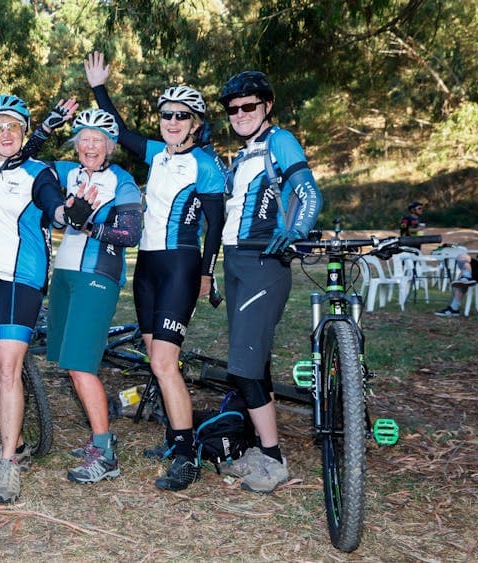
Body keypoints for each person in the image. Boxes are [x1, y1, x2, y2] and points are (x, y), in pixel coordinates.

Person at [84, 52, 227, 491]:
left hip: (180, 264)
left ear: (196, 122)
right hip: (146, 265)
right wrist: (98, 88)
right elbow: (120, 131)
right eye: (166, 114)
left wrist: (205, 272)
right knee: (159, 360)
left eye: (181, 116)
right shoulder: (156, 155)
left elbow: (216, 224)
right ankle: (175, 436)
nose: (172, 121)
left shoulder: (205, 164)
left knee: (165, 363)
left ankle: (187, 456)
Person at [0, 93, 92, 503]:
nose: (5, 133)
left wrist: (66, 214)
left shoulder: (40, 172)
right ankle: (16, 441)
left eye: (13, 126)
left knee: (8, 370)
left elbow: (52, 205)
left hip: (21, 279)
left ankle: (8, 463)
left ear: (24, 132)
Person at [217, 71, 323, 493]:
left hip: (264, 259)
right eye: (233, 109)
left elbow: (309, 192)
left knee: (242, 367)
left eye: (249, 106)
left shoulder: (280, 140)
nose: (240, 114)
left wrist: (296, 230)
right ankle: (263, 449)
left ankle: (274, 459)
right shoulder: (243, 154)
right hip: (236, 261)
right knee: (254, 361)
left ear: (266, 107)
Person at [45, 109, 142, 484]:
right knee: (71, 362)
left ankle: (105, 452)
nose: (89, 145)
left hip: (98, 275)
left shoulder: (123, 181)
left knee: (82, 365)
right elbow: (28, 162)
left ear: (110, 146)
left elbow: (130, 233)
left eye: (98, 139)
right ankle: (98, 438)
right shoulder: (67, 173)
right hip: (66, 274)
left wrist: (87, 224)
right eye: (84, 138)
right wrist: (44, 126)